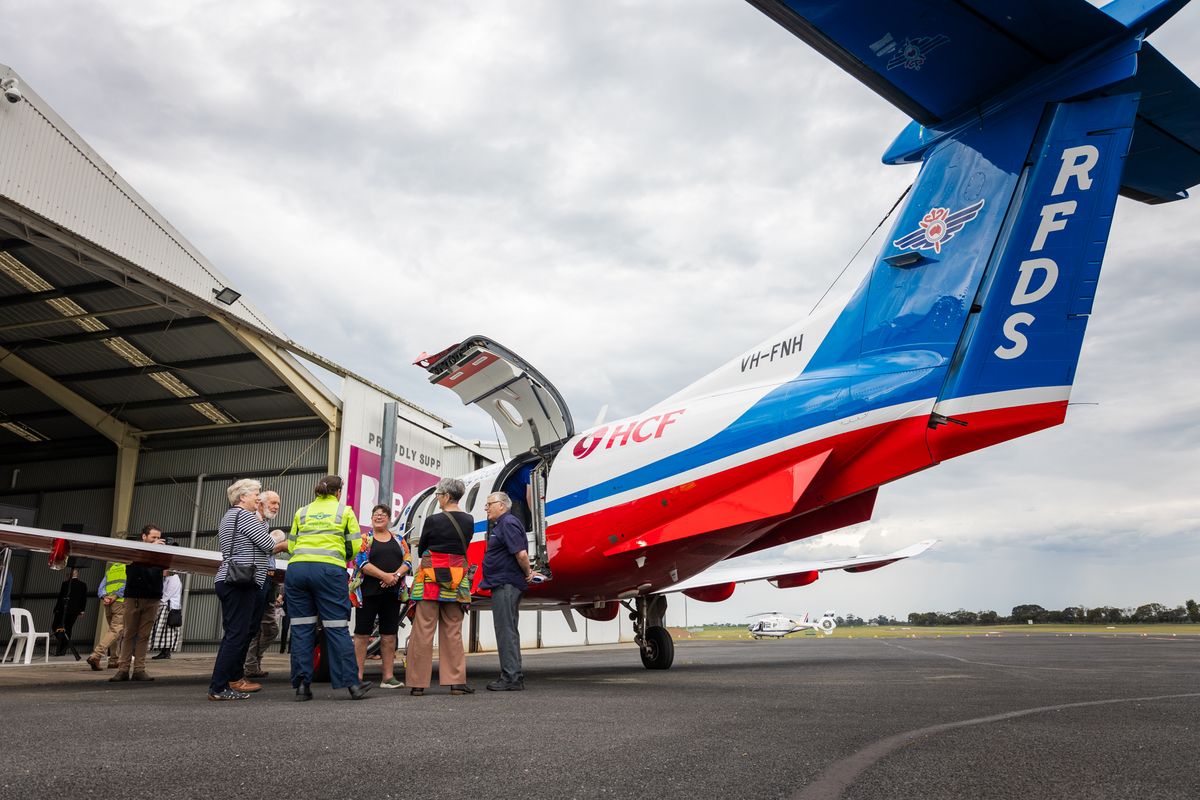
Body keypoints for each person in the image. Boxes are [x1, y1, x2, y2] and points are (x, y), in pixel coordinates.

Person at [286, 475, 372, 701]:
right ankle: (352, 685)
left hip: (297, 570)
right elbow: (355, 546)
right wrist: (341, 557)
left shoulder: (302, 512)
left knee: (301, 628)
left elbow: (292, 545)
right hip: (329, 572)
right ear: (338, 492)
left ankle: (302, 687)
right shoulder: (345, 512)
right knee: (336, 626)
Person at [207, 479, 286, 701]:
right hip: (239, 582)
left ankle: (228, 681)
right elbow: (268, 545)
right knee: (236, 635)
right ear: (242, 497)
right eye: (255, 494)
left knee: (235, 633)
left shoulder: (232, 516)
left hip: (230, 580)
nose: (258, 498)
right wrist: (284, 541)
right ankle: (218, 687)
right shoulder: (244, 516)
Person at [407, 477, 474, 697]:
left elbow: (422, 548)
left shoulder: (433, 520)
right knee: (453, 631)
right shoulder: (469, 520)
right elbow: (464, 546)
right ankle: (456, 682)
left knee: (423, 630)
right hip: (457, 579)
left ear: (446, 496)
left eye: (438, 495)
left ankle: (418, 684)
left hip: (430, 579)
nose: (437, 499)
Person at [481, 492, 540, 691]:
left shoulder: (508, 523)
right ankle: (513, 675)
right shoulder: (503, 524)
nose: (486, 508)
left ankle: (511, 677)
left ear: (502, 505)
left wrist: (528, 572)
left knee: (505, 630)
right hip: (503, 583)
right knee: (508, 629)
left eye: (489, 504)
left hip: (506, 584)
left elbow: (521, 554)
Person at [352, 504, 412, 690]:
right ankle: (357, 677)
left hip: (392, 595)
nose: (379, 517)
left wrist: (395, 576)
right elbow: (361, 562)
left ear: (389, 519)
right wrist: (385, 576)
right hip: (368, 594)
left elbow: (408, 561)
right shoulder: (365, 539)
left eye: (383, 514)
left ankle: (388, 677)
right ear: (371, 518)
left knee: (389, 635)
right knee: (362, 634)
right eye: (376, 514)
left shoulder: (399, 540)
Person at [111, 525, 166, 682]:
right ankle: (123, 669)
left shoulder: (161, 555)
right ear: (144, 537)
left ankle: (139, 669)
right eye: (153, 537)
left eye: (158, 538)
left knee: (144, 635)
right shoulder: (134, 551)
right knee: (129, 633)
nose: (157, 540)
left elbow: (165, 571)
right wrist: (151, 550)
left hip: (152, 597)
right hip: (134, 597)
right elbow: (134, 566)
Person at [241, 489, 283, 681]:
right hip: (256, 580)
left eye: (278, 504)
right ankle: (247, 665)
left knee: (266, 628)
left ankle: (251, 663)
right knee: (254, 627)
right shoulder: (252, 521)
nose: (276, 507)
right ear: (260, 503)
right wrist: (279, 545)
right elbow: (262, 550)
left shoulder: (264, 524)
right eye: (273, 503)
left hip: (269, 582)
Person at [86, 561, 126, 671]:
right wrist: (115, 596)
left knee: (114, 633)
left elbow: (101, 587)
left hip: (108, 603)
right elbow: (128, 585)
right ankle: (96, 655)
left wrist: (105, 597)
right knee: (115, 631)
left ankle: (113, 660)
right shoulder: (127, 568)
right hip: (120, 602)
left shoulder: (111, 569)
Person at [51, 567, 89, 657]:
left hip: (64, 609)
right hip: (73, 610)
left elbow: (61, 597)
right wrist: (82, 610)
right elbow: (84, 598)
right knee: (67, 628)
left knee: (57, 626)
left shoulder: (66, 584)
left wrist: (56, 608)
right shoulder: (81, 584)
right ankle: (65, 645)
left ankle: (63, 646)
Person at [149, 570, 183, 660]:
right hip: (168, 606)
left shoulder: (174, 579)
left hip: (168, 607)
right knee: (165, 631)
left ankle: (166, 652)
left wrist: (158, 602)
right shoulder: (169, 578)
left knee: (166, 630)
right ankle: (164, 651)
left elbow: (167, 594)